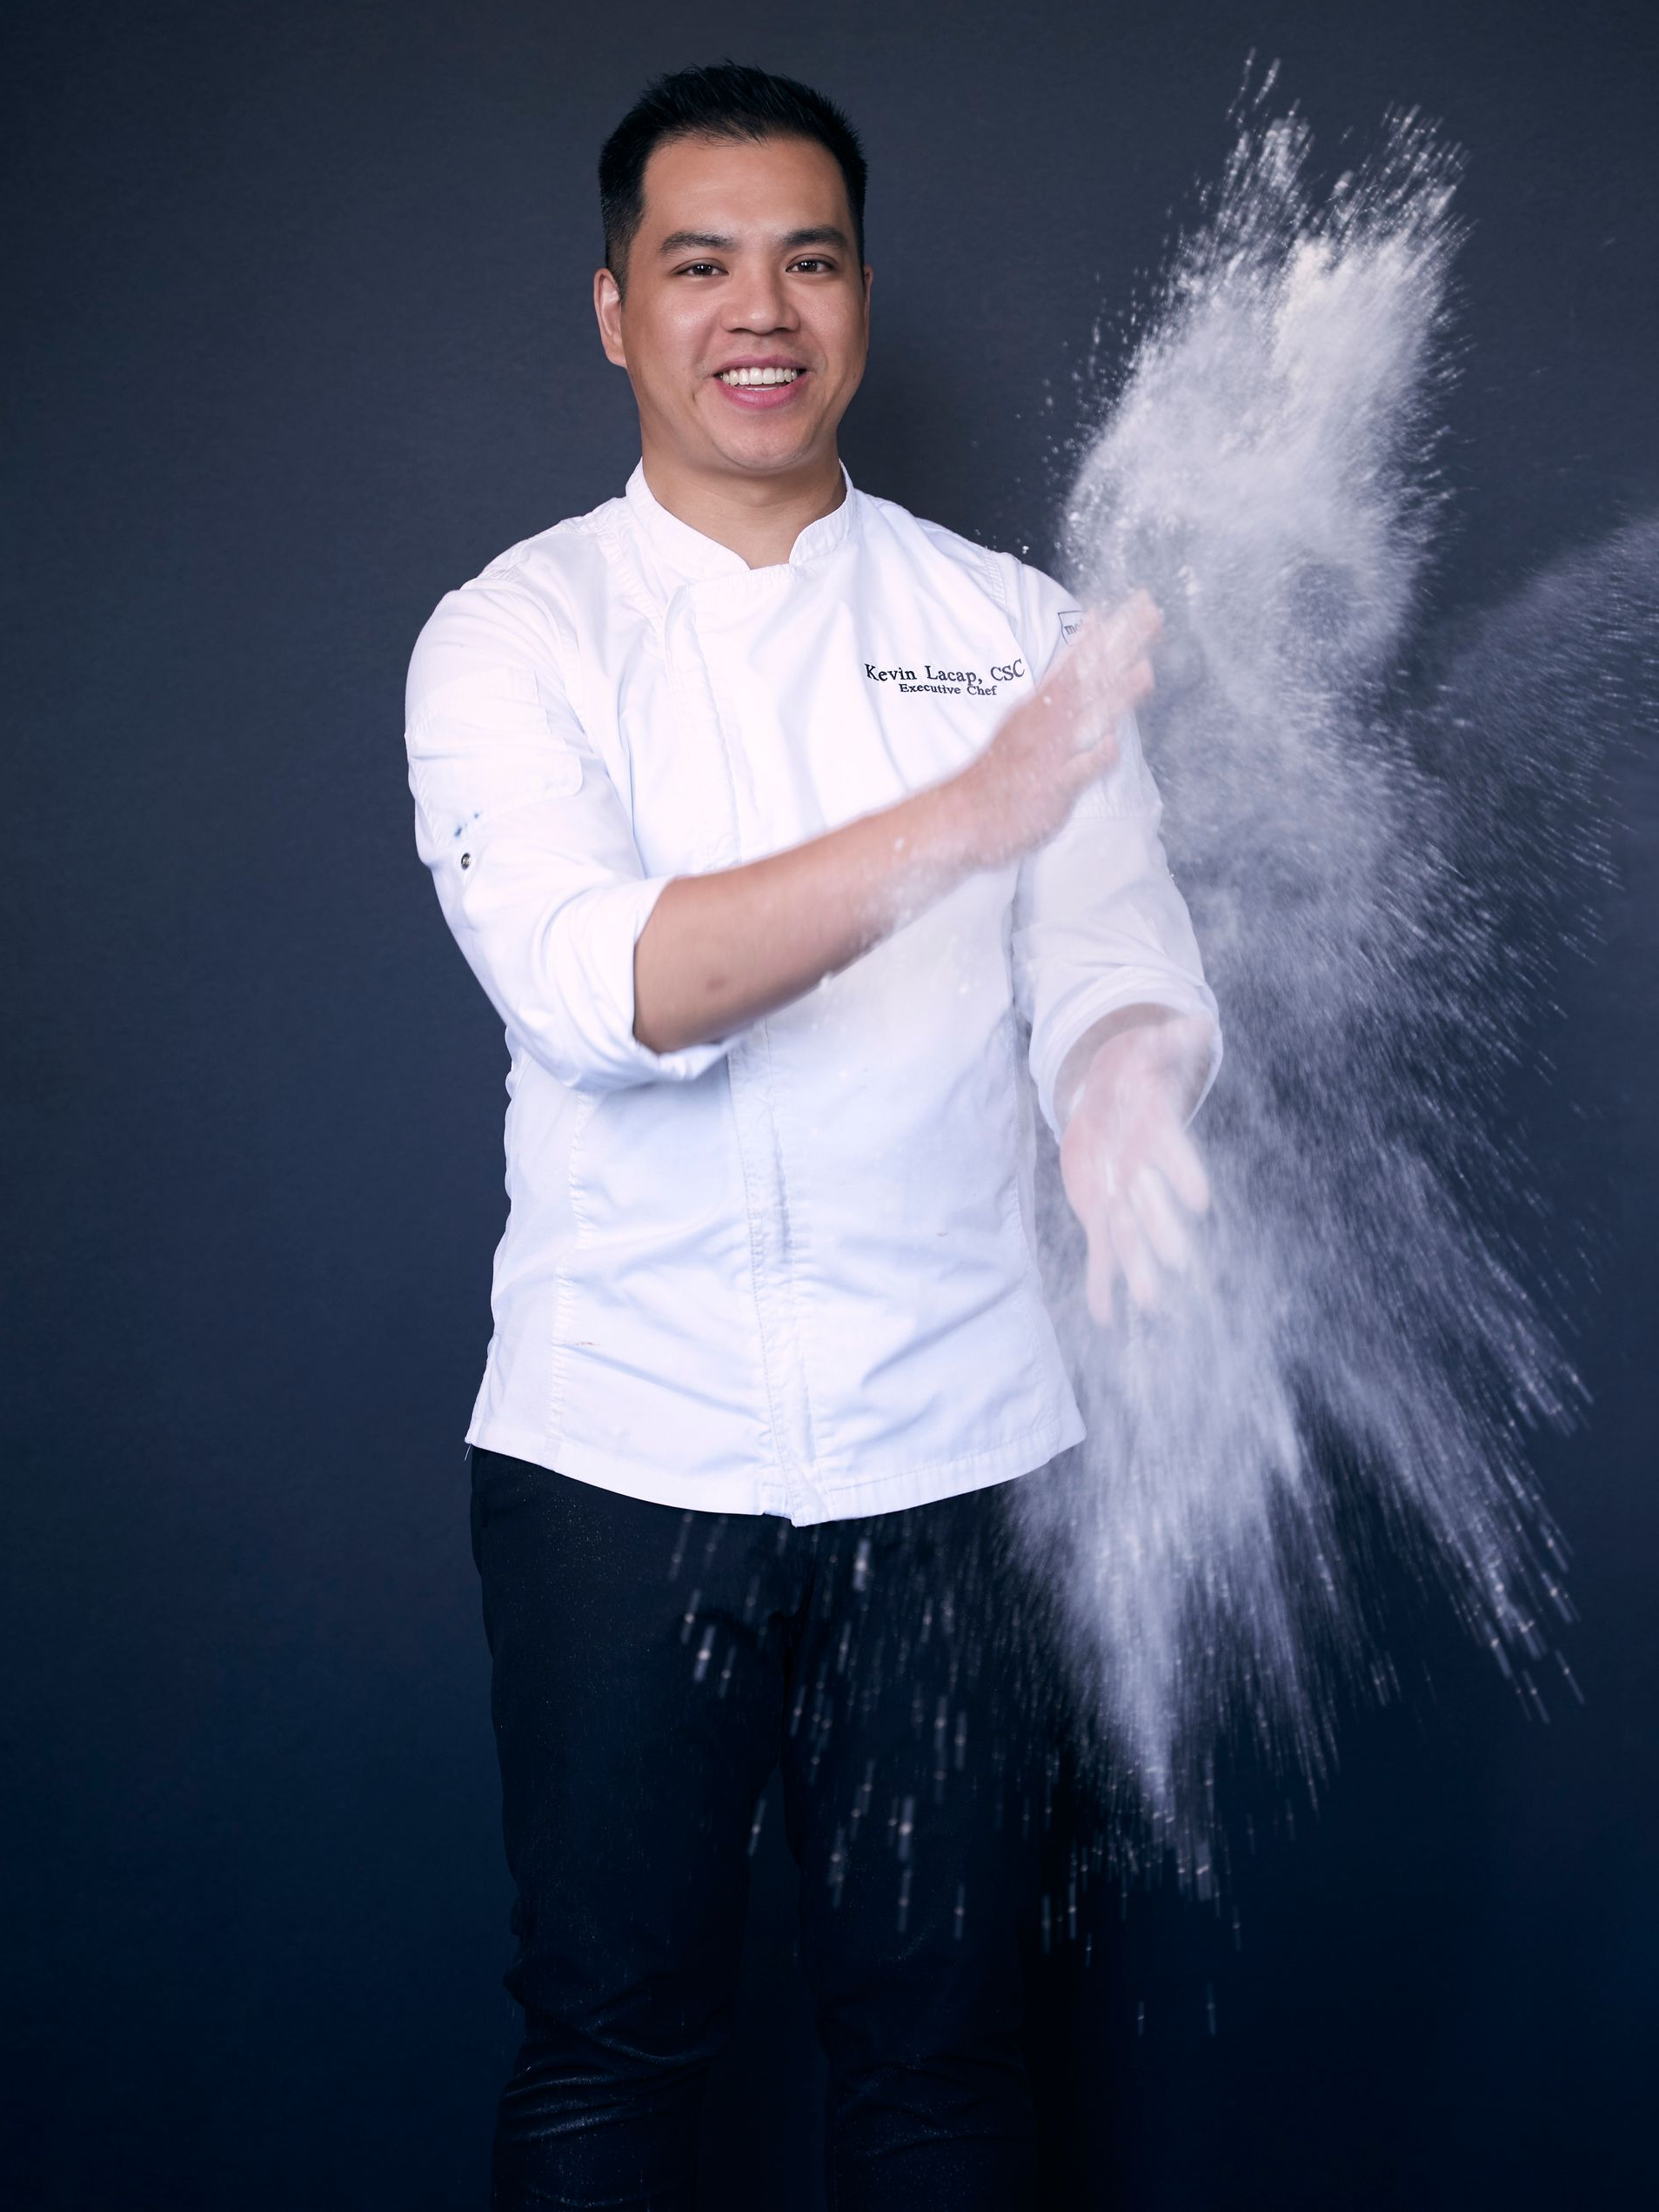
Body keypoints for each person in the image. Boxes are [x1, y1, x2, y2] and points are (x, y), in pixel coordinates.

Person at [404, 58, 1221, 2211]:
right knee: (604, 2050)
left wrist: (1122, 1079)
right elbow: (608, 985)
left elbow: (1109, 946)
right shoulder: (511, 636)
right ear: (615, 312)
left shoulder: (1004, 628)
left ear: (857, 296)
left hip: (955, 1449)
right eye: (699, 265)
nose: (757, 309)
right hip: (616, 1453)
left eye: (807, 258)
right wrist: (964, 817)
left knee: (944, 2062)